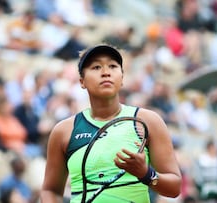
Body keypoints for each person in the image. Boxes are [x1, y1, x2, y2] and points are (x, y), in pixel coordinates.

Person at [40, 44, 182, 202]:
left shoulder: (148, 121)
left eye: (113, 66)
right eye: (96, 67)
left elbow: (174, 187)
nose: (106, 72)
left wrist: (146, 174)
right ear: (82, 81)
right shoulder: (64, 131)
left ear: (122, 78)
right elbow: (50, 191)